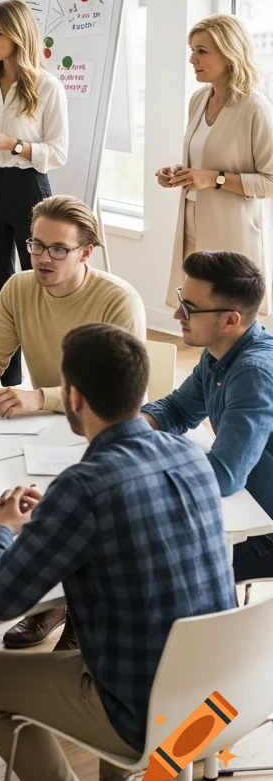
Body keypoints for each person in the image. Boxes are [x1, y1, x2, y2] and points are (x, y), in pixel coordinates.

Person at [0, 324, 236, 781]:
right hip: (222, 693)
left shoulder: (85, 487)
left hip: (147, 711)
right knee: (127, 629)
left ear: (74, 396)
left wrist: (0, 530)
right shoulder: (190, 454)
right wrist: (51, 522)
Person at [0, 193, 145, 649]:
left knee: (74, 509)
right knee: (15, 491)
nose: (42, 258)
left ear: (86, 252)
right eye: (36, 245)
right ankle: (53, 603)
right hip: (43, 430)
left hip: (99, 429)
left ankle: (75, 614)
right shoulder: (19, 288)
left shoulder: (118, 300)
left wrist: (40, 397)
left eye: (58, 249)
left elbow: (122, 393)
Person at [142, 249, 273, 585]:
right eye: (180, 300)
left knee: (148, 564)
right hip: (248, 508)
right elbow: (177, 409)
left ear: (230, 320)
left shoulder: (253, 372)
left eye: (189, 308)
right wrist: (128, 430)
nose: (176, 314)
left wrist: (144, 472)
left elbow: (225, 475)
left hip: (265, 533)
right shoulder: (220, 352)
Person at [0, 0, 68, 387]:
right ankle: (8, 382)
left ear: (17, 36)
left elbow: (57, 152)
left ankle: (51, 380)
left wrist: (13, 144)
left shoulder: (47, 87)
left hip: (30, 191)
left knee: (40, 282)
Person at [156, 14, 273, 313]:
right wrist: (176, 174)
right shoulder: (199, 99)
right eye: (192, 50)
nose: (192, 59)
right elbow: (203, 163)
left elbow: (270, 181)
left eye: (202, 51)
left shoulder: (255, 109)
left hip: (230, 230)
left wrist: (214, 179)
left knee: (226, 314)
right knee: (195, 310)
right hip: (191, 222)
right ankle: (207, 362)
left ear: (229, 53)